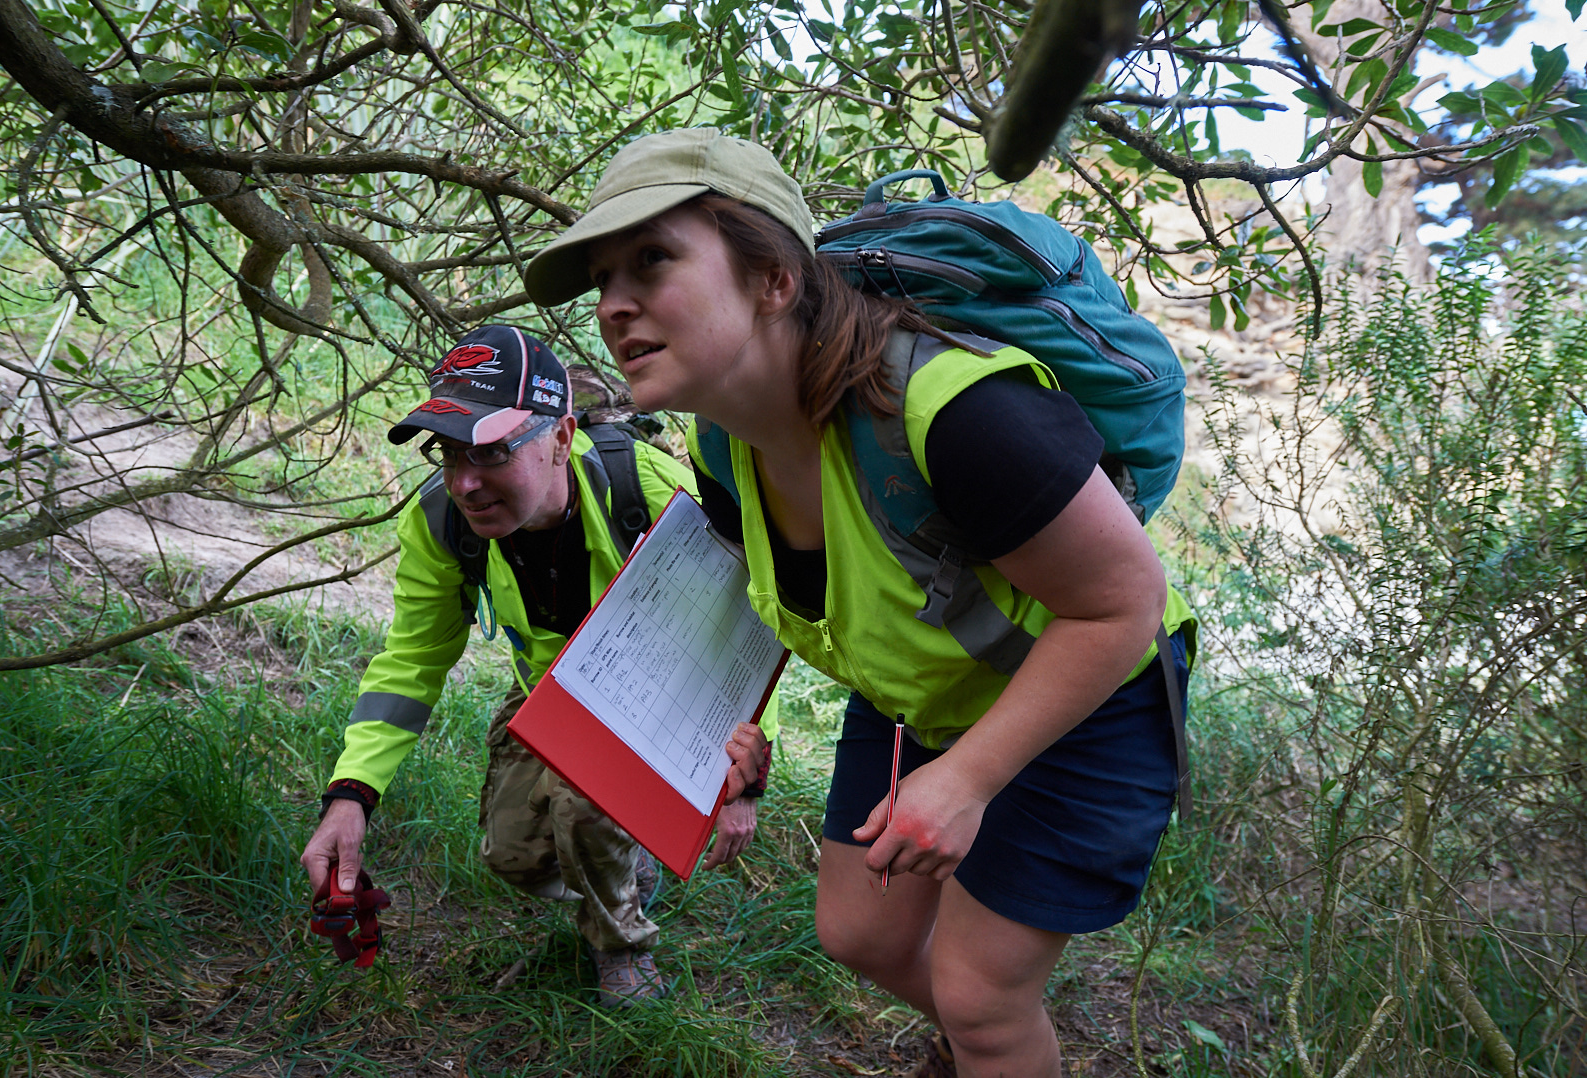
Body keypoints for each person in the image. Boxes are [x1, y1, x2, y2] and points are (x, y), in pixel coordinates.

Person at [521, 130, 1196, 1076]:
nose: (613, 306)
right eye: (601, 278)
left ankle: (994, 1043)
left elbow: (1122, 605)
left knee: (979, 991)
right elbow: (769, 599)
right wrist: (721, 754)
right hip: (920, 687)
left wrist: (965, 781)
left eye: (653, 260)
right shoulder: (727, 446)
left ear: (774, 280)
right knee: (859, 933)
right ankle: (995, 1049)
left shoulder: (960, 413)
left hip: (1089, 695)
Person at [300, 324, 770, 1007]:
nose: (464, 481)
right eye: (448, 452)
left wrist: (744, 779)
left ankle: (622, 949)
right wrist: (350, 796)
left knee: (585, 792)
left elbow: (751, 627)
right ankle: (624, 862)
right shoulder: (441, 520)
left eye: (491, 451)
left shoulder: (648, 488)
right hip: (551, 696)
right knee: (512, 857)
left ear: (557, 438)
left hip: (676, 696)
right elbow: (410, 663)